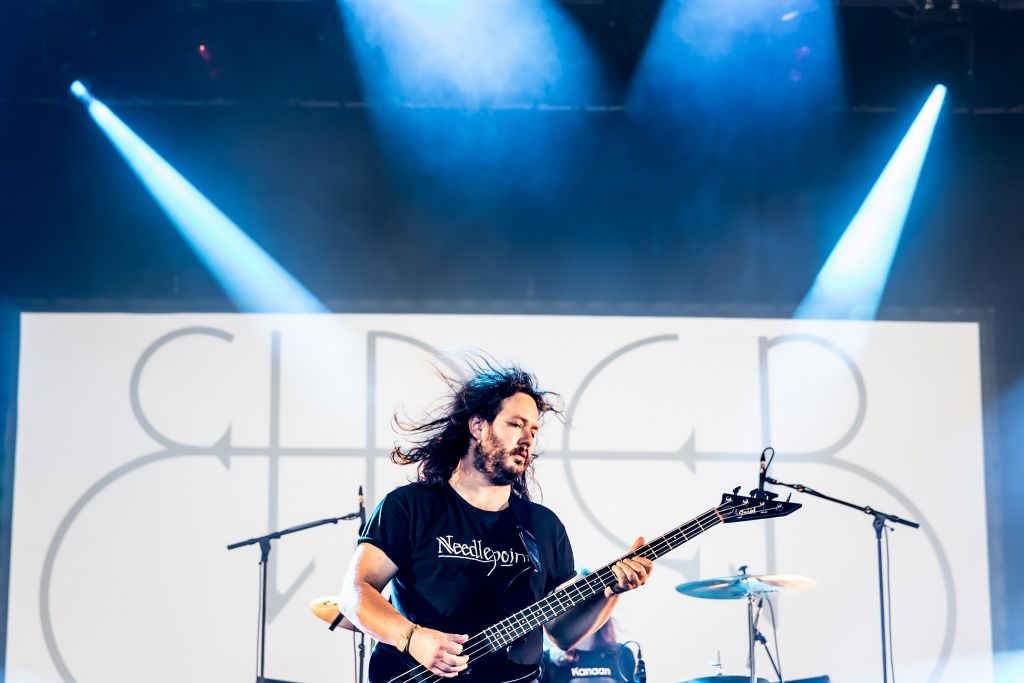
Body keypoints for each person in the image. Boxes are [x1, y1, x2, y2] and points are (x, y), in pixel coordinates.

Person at [339, 362, 653, 681]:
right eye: (516, 424)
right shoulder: (410, 506)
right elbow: (355, 594)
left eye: (533, 431)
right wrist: (412, 638)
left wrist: (610, 591)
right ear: (478, 426)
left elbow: (562, 634)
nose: (527, 439)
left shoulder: (543, 526)